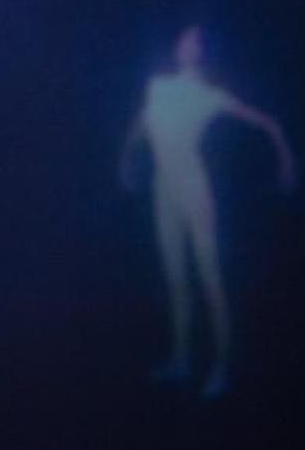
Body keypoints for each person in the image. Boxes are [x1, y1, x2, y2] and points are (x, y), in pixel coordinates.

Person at [119, 25, 295, 399]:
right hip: (163, 191)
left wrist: (286, 160)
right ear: (177, 46)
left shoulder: (209, 95)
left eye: (195, 40)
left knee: (209, 277)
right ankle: (181, 361)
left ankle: (221, 367)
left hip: (194, 191)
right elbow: (140, 124)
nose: (187, 42)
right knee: (175, 279)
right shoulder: (157, 85)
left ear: (202, 53)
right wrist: (125, 156)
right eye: (183, 37)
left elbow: (267, 123)